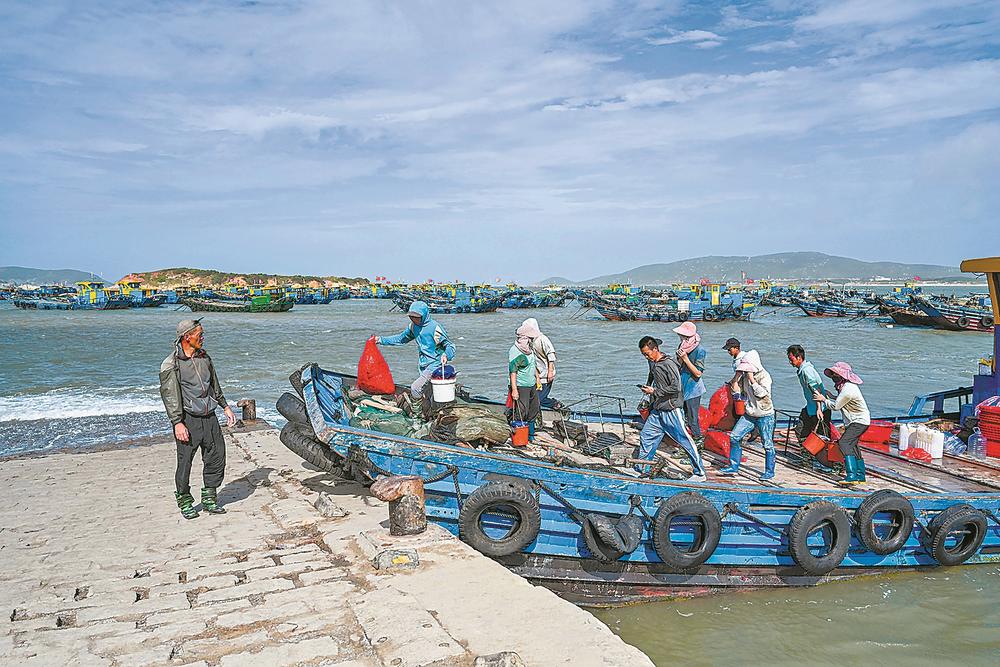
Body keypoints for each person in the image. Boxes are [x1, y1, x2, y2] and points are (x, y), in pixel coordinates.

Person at [159, 319, 236, 519]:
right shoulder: (171, 364)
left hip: (209, 417)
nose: (203, 337)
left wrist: (225, 407)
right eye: (199, 334)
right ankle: (184, 501)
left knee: (217, 456)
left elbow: (215, 386)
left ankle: (210, 498)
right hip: (188, 420)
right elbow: (170, 396)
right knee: (185, 463)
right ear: (187, 337)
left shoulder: (205, 358)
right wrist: (177, 423)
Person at [636, 336, 706, 482]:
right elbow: (652, 375)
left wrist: (654, 391)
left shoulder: (669, 364)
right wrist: (647, 387)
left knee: (685, 440)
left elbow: (676, 387)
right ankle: (643, 468)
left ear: (655, 349)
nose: (645, 357)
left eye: (647, 354)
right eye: (643, 354)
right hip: (658, 410)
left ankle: (699, 473)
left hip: (672, 409)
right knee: (646, 437)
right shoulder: (653, 362)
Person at [376, 300, 456, 400]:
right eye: (411, 317)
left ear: (424, 315)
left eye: (416, 317)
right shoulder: (413, 327)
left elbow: (450, 345)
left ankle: (418, 413)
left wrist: (446, 355)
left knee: (415, 388)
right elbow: (401, 339)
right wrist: (380, 340)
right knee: (429, 392)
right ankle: (431, 409)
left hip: (435, 364)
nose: (413, 319)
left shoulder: (435, 328)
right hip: (423, 364)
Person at [719, 350, 776, 480]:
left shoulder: (764, 376)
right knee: (734, 437)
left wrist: (752, 380)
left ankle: (769, 471)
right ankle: (734, 465)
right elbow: (737, 393)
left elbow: (762, 394)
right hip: (749, 413)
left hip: (765, 415)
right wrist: (736, 378)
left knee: (767, 444)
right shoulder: (743, 376)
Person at [814, 362, 870, 485]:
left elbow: (836, 406)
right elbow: (841, 400)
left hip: (859, 421)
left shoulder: (848, 389)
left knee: (844, 443)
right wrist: (830, 396)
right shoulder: (844, 388)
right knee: (853, 446)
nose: (834, 377)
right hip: (857, 421)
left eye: (836, 375)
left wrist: (823, 399)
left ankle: (851, 475)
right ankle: (860, 476)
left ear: (842, 376)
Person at [786, 344, 833, 470]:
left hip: (821, 409)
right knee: (800, 430)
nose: (790, 362)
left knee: (823, 438)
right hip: (810, 407)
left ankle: (830, 464)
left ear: (799, 357)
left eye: (791, 359)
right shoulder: (803, 369)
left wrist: (819, 408)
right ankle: (807, 460)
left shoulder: (806, 370)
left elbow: (815, 388)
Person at [673, 321, 706, 441]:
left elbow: (698, 373)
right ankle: (687, 441)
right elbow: (679, 366)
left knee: (692, 419)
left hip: (693, 388)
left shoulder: (700, 350)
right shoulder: (682, 346)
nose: (681, 338)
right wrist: (680, 359)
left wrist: (685, 359)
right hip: (682, 385)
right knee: (683, 416)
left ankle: (698, 442)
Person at [509, 327, 541, 442]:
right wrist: (514, 389)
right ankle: (519, 437)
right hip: (521, 385)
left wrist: (537, 378)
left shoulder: (529, 350)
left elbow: (533, 365)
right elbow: (513, 371)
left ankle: (530, 435)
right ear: (524, 338)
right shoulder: (515, 351)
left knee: (534, 408)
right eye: (530, 338)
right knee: (522, 410)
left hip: (531, 383)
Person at [518, 318, 558, 409]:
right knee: (532, 399)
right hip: (535, 376)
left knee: (539, 399)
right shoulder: (529, 341)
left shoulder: (542, 339)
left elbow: (551, 355)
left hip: (546, 375)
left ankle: (555, 404)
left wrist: (550, 371)